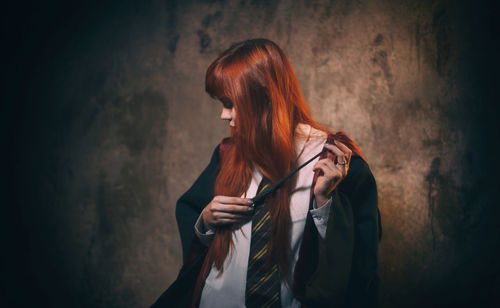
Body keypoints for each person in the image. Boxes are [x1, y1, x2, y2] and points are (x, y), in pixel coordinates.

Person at [152, 38, 381, 308]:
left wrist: (325, 205)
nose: (224, 115)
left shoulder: (337, 162)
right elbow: (194, 226)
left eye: (230, 103)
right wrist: (206, 219)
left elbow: (358, 265)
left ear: (264, 98)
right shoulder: (227, 154)